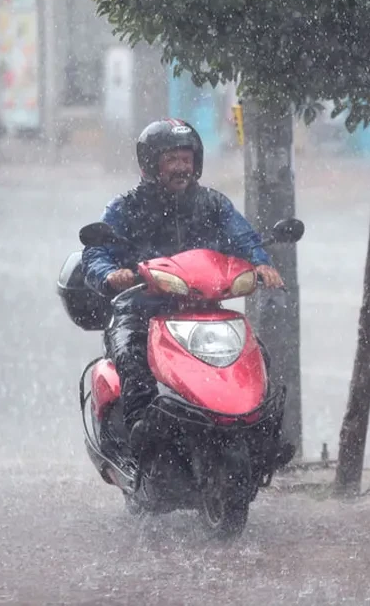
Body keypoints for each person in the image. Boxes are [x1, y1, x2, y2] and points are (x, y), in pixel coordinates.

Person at [81, 118, 285, 447]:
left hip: (202, 310)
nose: (181, 168)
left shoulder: (213, 204)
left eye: (186, 160)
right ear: (151, 165)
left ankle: (259, 435)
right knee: (133, 360)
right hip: (141, 311)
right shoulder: (126, 207)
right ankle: (140, 438)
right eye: (171, 160)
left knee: (254, 354)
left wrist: (261, 264)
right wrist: (110, 274)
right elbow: (96, 254)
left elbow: (243, 237)